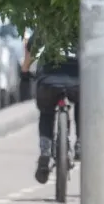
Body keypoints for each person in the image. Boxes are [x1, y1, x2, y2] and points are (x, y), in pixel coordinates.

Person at [20, 32, 80, 184]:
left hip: (48, 80)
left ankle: (45, 151)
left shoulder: (47, 25)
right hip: (76, 80)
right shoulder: (81, 25)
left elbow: (31, 48)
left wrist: (25, 71)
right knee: (82, 104)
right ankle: (80, 142)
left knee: (46, 112)